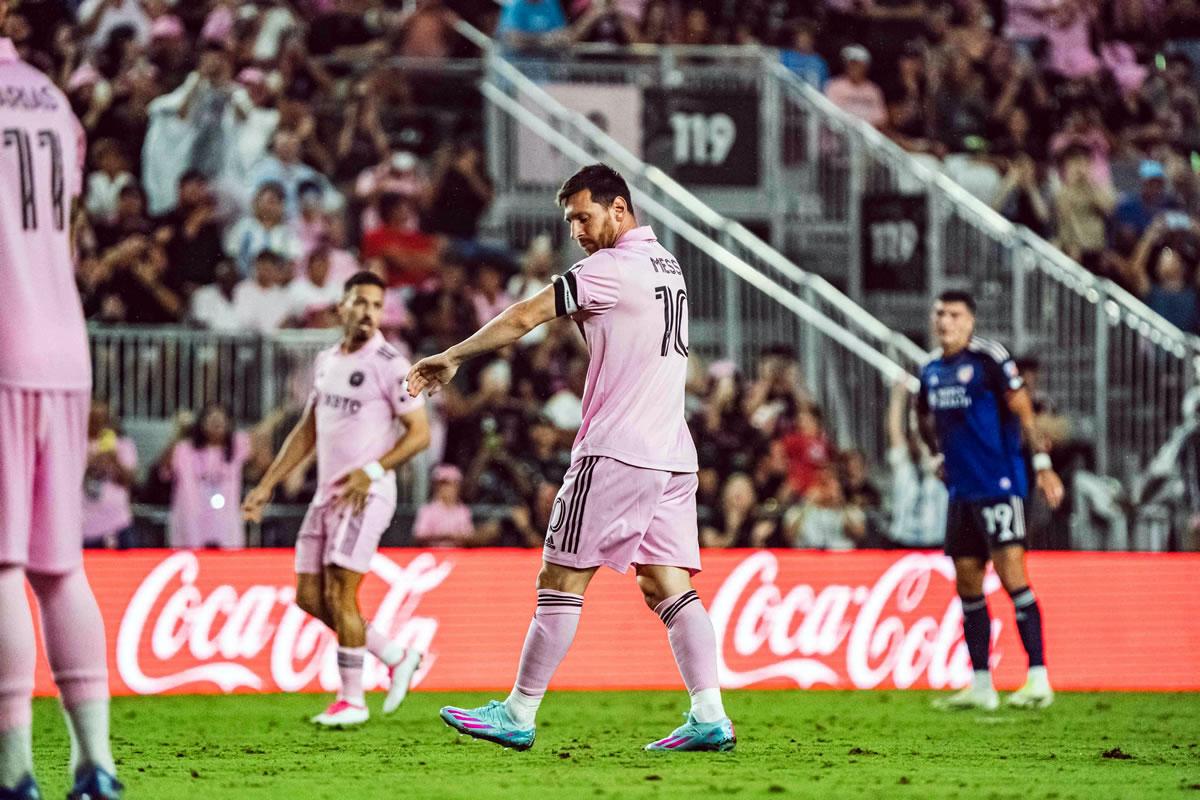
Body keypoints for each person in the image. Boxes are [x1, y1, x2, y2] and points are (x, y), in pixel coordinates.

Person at [407, 164, 735, 752]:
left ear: (618, 209)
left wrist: (452, 356)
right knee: (665, 584)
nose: (577, 231)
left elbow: (526, 316)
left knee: (559, 577)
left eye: (584, 217)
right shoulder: (669, 265)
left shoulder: (609, 268)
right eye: (569, 221)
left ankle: (518, 712)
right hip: (671, 454)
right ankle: (710, 715)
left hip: (617, 450)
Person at [0, 9, 123, 797]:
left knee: (3, 564)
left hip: (1, 345)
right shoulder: (49, 97)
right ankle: (98, 766)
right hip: (63, 344)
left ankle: (13, 772)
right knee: (60, 567)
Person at [242, 271, 431, 728]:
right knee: (309, 596)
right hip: (327, 494)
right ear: (341, 306)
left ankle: (352, 700)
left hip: (366, 494)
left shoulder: (390, 363)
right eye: (360, 303)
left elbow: (420, 435)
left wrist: (372, 471)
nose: (368, 312)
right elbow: (306, 431)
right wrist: (266, 485)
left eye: (375, 305)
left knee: (341, 593)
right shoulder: (327, 360)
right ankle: (395, 653)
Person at [917, 290, 1065, 711]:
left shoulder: (989, 359)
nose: (945, 321)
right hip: (961, 491)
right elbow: (922, 416)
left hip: (999, 484)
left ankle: (1038, 677)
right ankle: (982, 684)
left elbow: (1023, 413)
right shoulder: (930, 369)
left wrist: (1041, 465)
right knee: (966, 579)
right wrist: (936, 455)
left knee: (1011, 571)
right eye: (940, 313)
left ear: (970, 322)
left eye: (954, 314)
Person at [163, 404, 250, 550]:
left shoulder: (236, 446)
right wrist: (181, 432)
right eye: (211, 418)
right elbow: (164, 470)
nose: (216, 422)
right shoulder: (184, 448)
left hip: (225, 525)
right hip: (192, 524)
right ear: (201, 423)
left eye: (221, 419)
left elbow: (261, 441)